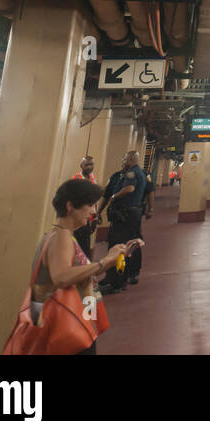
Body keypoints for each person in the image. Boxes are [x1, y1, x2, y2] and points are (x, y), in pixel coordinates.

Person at [32, 179, 135, 355]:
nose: (94, 211)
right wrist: (103, 263)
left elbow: (76, 272)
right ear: (70, 206)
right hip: (67, 326)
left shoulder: (63, 236)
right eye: (90, 205)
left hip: (73, 323)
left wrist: (110, 258)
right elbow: (62, 276)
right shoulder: (61, 237)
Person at [98, 151, 147, 293]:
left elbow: (129, 188)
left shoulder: (131, 174)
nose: (122, 161)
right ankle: (129, 274)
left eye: (124, 158)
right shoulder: (139, 174)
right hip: (133, 213)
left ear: (131, 159)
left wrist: (115, 196)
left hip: (125, 215)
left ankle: (115, 281)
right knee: (131, 244)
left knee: (117, 246)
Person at [70, 156, 98, 259]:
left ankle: (84, 271)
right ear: (81, 166)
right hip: (78, 220)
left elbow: (94, 200)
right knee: (75, 247)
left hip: (88, 220)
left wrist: (95, 217)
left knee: (85, 247)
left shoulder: (92, 178)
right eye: (86, 165)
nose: (89, 167)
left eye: (91, 164)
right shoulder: (76, 179)